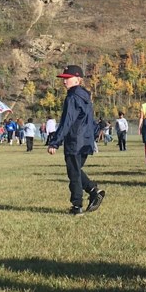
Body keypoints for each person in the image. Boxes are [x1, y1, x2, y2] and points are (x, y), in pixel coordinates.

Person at [45, 65, 105, 216]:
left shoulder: (72, 97)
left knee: (73, 173)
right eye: (63, 79)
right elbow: (89, 120)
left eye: (67, 78)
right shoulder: (85, 97)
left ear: (78, 79)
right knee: (76, 170)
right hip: (85, 140)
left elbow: (67, 121)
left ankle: (77, 206)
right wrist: (95, 133)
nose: (64, 82)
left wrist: (55, 142)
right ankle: (93, 190)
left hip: (75, 140)